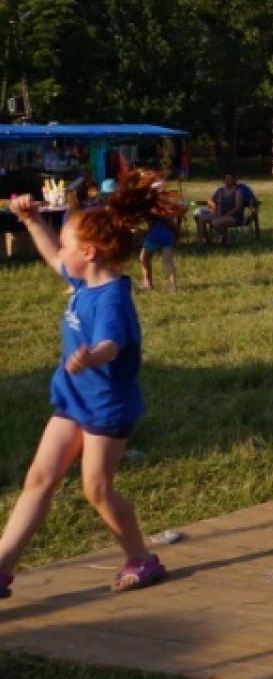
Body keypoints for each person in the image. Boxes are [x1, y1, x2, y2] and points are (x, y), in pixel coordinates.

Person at [0, 172, 181, 600]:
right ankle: (2, 567)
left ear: (89, 252)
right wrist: (32, 221)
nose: (61, 253)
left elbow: (111, 344)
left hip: (107, 407)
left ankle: (141, 558)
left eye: (67, 245)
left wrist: (90, 356)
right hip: (74, 400)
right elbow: (54, 257)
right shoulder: (83, 280)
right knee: (39, 478)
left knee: (96, 489)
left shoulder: (112, 297)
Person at [138, 179, 181, 291]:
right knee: (167, 261)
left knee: (144, 257)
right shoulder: (167, 202)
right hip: (166, 235)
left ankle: (148, 282)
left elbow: (164, 218)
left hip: (156, 235)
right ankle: (172, 285)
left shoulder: (155, 204)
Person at [195, 172, 256, 245]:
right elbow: (210, 200)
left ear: (235, 180)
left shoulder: (238, 191)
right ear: (223, 181)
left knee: (215, 223)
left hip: (234, 216)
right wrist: (213, 205)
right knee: (200, 218)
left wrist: (226, 214)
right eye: (226, 179)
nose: (228, 181)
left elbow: (238, 207)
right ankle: (201, 242)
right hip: (220, 214)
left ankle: (227, 238)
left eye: (230, 179)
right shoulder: (220, 190)